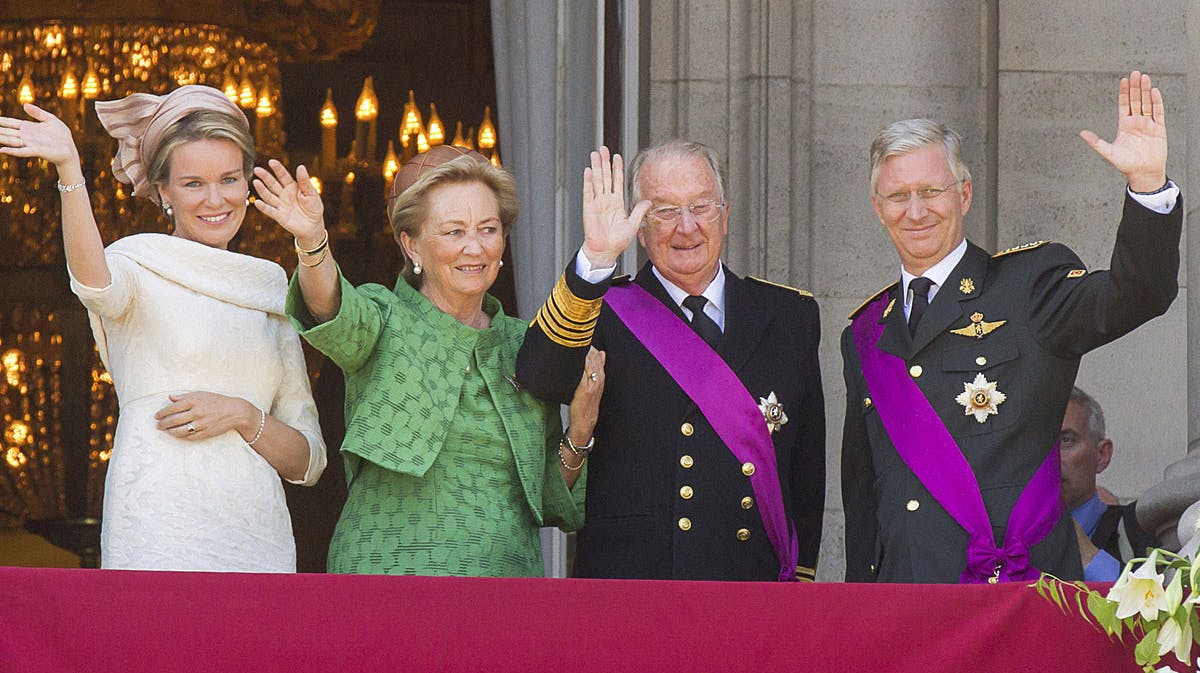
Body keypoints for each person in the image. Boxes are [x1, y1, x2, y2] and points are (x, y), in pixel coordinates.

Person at [841, 71, 1182, 584]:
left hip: (1011, 594)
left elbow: (1136, 296)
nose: (915, 212)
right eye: (898, 196)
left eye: (931, 190)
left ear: (965, 194)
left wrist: (1147, 187)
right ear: (877, 208)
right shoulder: (865, 332)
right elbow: (865, 495)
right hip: (904, 605)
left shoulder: (1026, 288)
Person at [0, 85, 327, 572]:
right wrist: (70, 170)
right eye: (193, 183)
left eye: (230, 179)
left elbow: (308, 461)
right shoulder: (137, 263)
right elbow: (93, 284)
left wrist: (240, 414)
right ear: (163, 191)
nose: (215, 199)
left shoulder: (269, 283)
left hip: (257, 539)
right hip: (155, 530)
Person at [269, 144, 599, 576]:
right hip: (386, 581)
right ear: (413, 246)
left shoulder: (526, 343)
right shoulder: (384, 318)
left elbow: (551, 498)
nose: (474, 247)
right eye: (453, 232)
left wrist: (581, 428)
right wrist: (313, 243)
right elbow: (334, 309)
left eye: (488, 229)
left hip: (506, 587)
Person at [516, 142, 826, 582]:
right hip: (635, 584)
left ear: (724, 213)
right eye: (663, 211)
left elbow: (806, 468)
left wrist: (800, 574)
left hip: (750, 585)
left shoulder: (788, 316)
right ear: (639, 229)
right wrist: (596, 260)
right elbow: (538, 375)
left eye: (701, 206)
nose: (686, 227)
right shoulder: (603, 309)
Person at [1060, 386, 1155, 581]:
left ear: (1102, 455)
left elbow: (1158, 605)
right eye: (1038, 444)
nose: (1048, 457)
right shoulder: (1001, 544)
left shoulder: (1140, 526)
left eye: (1066, 440)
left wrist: (1084, 552)